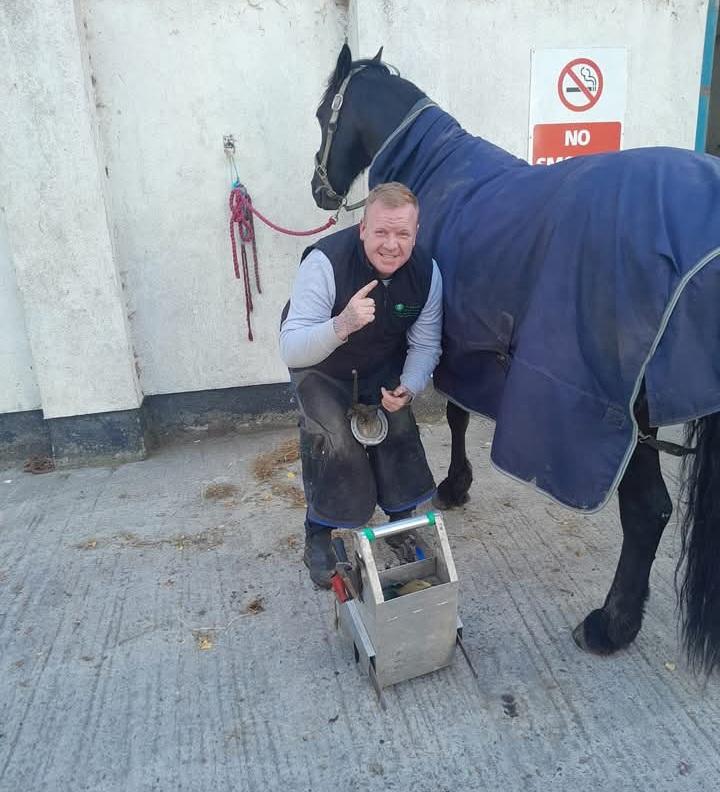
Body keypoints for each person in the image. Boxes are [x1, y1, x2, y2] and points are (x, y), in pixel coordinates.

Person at [279, 182, 443, 587]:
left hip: (379, 364)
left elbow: (426, 344)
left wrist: (409, 385)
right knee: (335, 441)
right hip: (321, 366)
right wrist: (342, 325)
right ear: (362, 229)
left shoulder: (427, 272)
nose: (391, 244)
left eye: (402, 233)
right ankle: (319, 534)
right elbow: (292, 349)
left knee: (398, 429)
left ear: (416, 233)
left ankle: (400, 526)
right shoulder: (324, 263)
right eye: (381, 231)